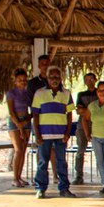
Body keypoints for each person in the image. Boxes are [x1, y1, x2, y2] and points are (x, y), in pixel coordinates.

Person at [31, 66, 76, 199]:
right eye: (52, 77)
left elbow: (69, 114)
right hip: (44, 134)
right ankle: (40, 188)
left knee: (61, 161)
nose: (54, 80)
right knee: (43, 162)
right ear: (47, 78)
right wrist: (37, 135)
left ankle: (64, 188)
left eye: (57, 77)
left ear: (61, 78)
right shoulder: (39, 93)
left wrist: (67, 132)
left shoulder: (66, 94)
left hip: (61, 134)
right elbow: (35, 115)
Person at [6, 68, 31, 187]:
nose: (23, 82)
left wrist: (26, 121)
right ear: (15, 81)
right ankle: (15, 178)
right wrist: (18, 124)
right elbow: (11, 111)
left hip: (26, 123)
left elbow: (33, 110)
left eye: (24, 80)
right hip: (14, 123)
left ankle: (20, 177)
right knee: (18, 150)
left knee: (24, 151)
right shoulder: (11, 93)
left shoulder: (28, 94)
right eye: (20, 80)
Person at [73, 72, 98, 185]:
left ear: (95, 80)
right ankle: (79, 176)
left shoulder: (100, 93)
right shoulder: (81, 95)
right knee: (80, 151)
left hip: (98, 125)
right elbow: (79, 111)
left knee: (100, 151)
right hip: (82, 126)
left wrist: (86, 111)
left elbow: (102, 110)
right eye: (87, 80)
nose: (89, 82)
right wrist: (92, 112)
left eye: (91, 79)